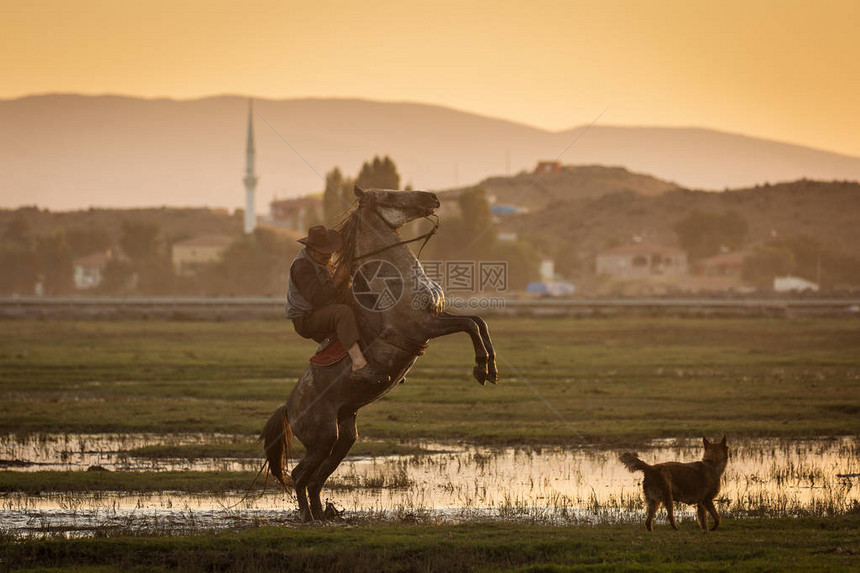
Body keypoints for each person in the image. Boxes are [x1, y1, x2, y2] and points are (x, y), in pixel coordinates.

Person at [285, 225, 387, 383]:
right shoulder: (302, 267)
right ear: (311, 250)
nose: (329, 255)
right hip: (305, 319)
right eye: (324, 252)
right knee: (343, 312)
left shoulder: (321, 261)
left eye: (329, 251)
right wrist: (337, 280)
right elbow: (317, 298)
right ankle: (358, 364)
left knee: (360, 301)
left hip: (321, 310)